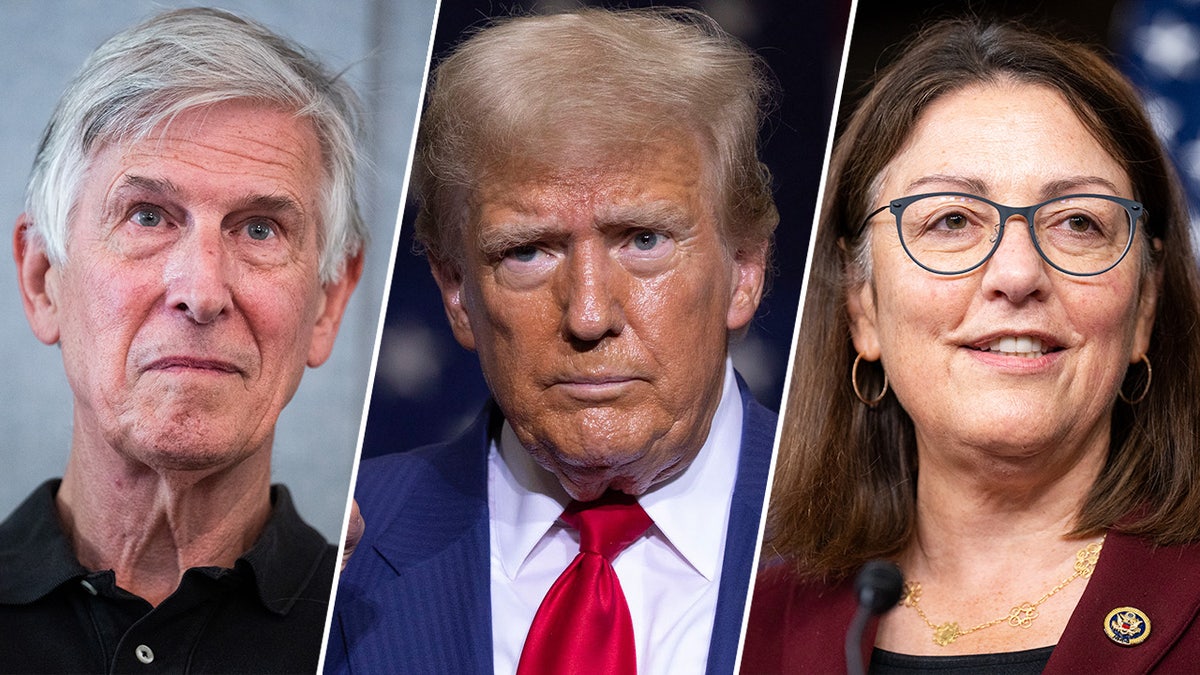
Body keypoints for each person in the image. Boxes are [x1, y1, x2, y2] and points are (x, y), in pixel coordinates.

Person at [742, 16, 1200, 673]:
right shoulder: (743, 631)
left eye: (1078, 222)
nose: (1017, 275)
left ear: (1145, 306)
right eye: (951, 220)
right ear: (861, 302)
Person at [329, 7, 778, 674]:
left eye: (644, 240)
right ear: (456, 293)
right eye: (528, 251)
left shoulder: (864, 532)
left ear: (744, 269)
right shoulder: (343, 558)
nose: (590, 315)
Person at [0, 8, 365, 672]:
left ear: (328, 301)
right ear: (42, 279)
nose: (202, 291)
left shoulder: (385, 627)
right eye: (147, 216)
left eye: (259, 229)